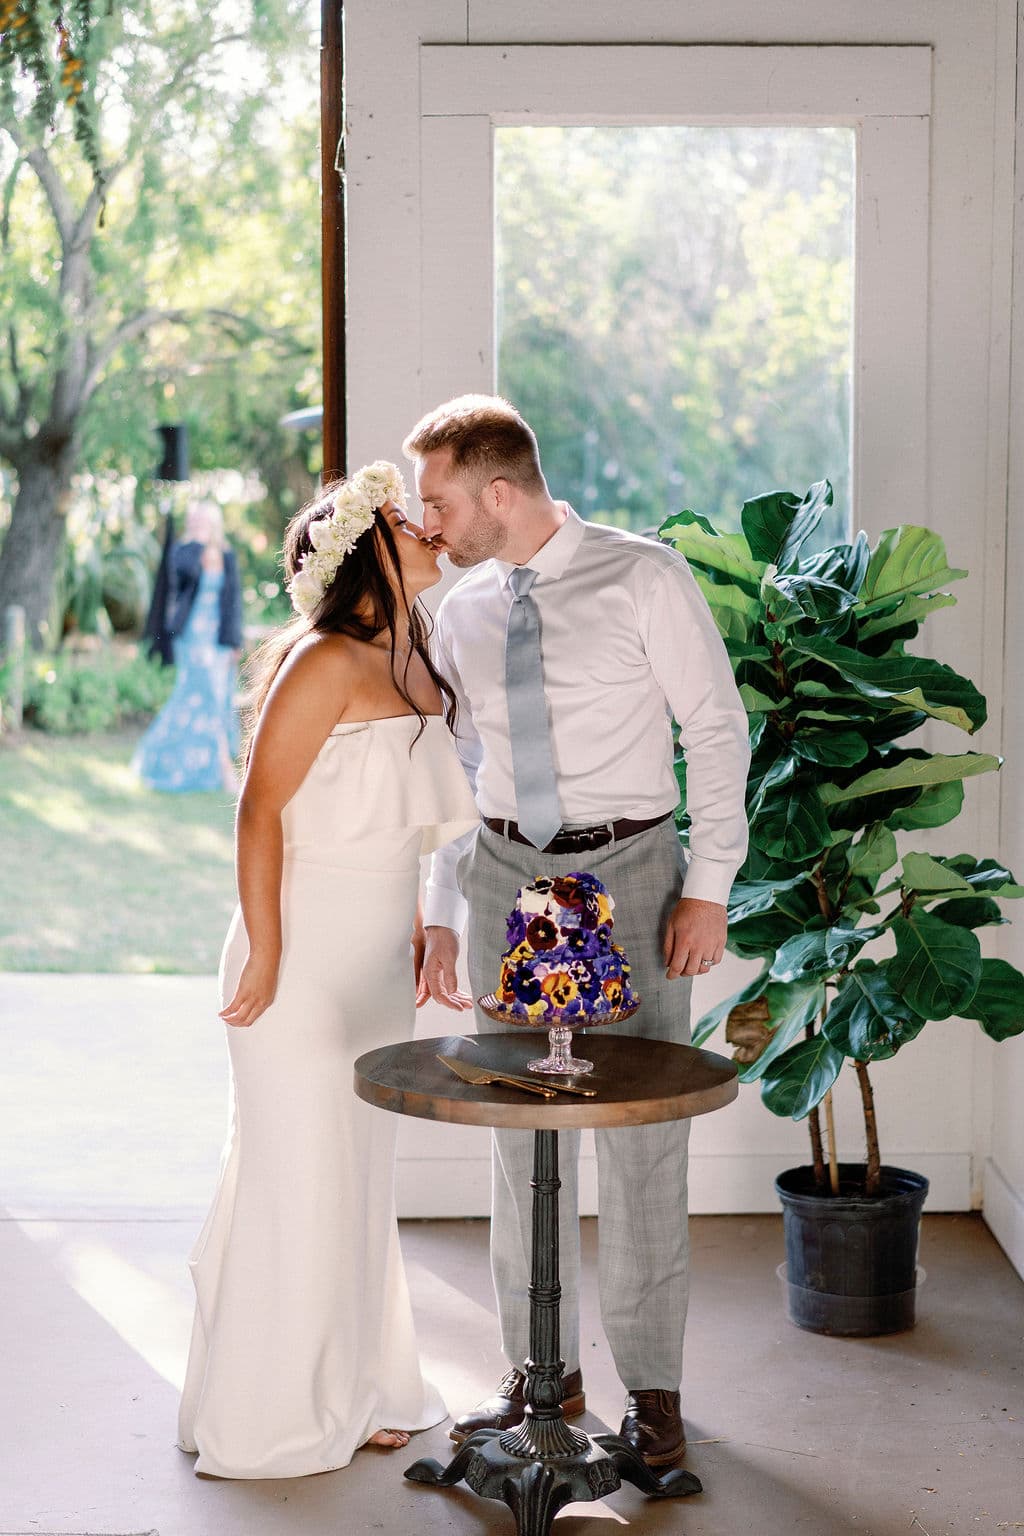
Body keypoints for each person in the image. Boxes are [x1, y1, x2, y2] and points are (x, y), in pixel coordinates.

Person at [407, 396, 751, 1469]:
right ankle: (537, 1370)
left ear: (497, 491)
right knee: (522, 1139)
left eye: (439, 499)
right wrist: (435, 914)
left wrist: (710, 886)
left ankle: (652, 1389)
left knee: (645, 1137)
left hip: (633, 868)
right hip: (507, 871)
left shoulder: (643, 575)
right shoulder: (461, 609)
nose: (429, 522)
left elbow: (716, 725)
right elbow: (455, 775)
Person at [176, 462, 478, 1479]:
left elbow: (420, 818)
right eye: (407, 521)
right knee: (297, 1175)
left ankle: (354, 1384)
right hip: (298, 957)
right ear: (367, 553)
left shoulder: (419, 655)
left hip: (376, 961)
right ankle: (267, 1414)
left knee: (354, 1174)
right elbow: (259, 811)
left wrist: (432, 926)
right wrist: (265, 950)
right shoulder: (322, 659)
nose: (430, 529)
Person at [133, 501, 242, 792]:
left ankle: (205, 766)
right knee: (203, 695)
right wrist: (198, 546)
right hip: (191, 638)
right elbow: (180, 578)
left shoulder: (227, 554)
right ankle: (224, 769)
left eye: (202, 521)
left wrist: (234, 641)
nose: (196, 525)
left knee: (218, 699)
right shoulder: (182, 551)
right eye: (193, 520)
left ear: (213, 523)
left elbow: (232, 601)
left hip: (218, 638)